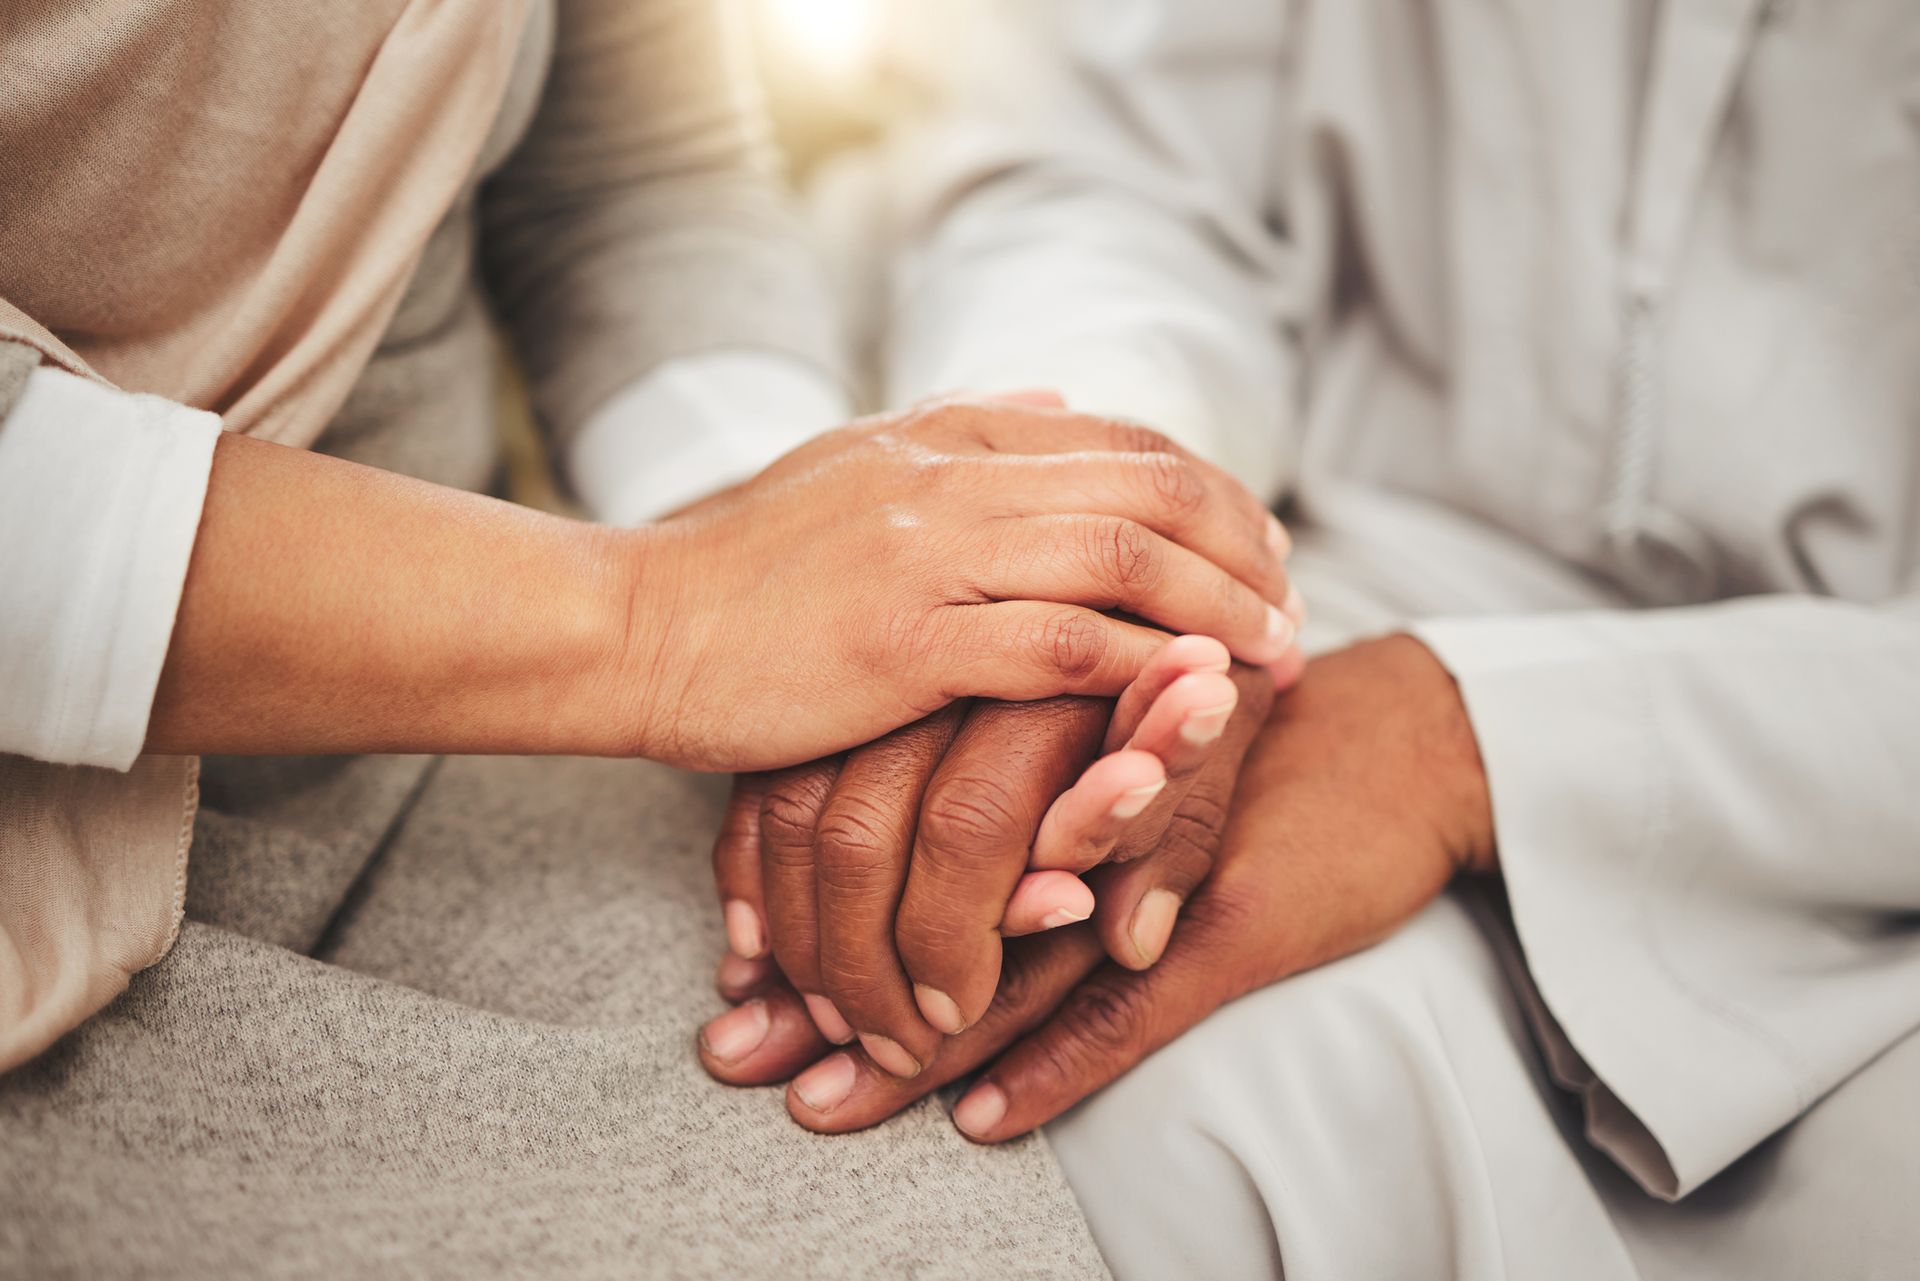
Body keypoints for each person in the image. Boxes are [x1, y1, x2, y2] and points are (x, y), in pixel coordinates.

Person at [0, 1, 1294, 1275]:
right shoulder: (635, 626)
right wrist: (657, 618)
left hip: (485, 725)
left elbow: (629, 173)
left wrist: (799, 576)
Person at [694, 2, 1920, 1278]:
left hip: (1855, 772)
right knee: (1201, 1099)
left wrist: (1473, 740)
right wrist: (1093, 544)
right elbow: (1113, 173)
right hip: (1306, 581)